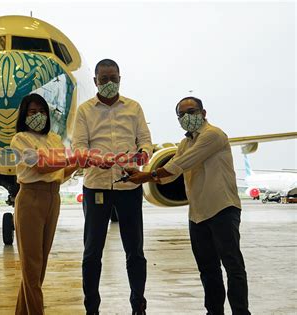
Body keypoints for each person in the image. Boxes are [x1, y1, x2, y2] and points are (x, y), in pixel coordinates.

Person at [124, 96, 251, 315]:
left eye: (191, 111)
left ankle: (241, 312)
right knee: (208, 270)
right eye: (181, 115)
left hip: (222, 209)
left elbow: (181, 163)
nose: (187, 117)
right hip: (198, 214)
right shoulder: (184, 143)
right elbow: (171, 174)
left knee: (233, 267)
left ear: (203, 113)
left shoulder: (213, 135)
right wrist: (143, 176)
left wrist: (147, 176)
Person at [72, 59, 153, 315]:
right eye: (104, 79)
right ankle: (92, 308)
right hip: (96, 186)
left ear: (120, 78)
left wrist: (141, 158)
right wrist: (94, 159)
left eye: (113, 78)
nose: (109, 83)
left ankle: (138, 304)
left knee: (135, 251)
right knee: (92, 251)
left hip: (129, 186)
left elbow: (146, 142)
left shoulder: (134, 108)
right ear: (95, 81)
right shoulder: (84, 111)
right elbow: (78, 148)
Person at [10, 93, 79, 315]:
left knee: (38, 269)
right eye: (32, 112)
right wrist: (72, 159)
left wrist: (79, 163)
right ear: (24, 115)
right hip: (31, 199)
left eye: (41, 111)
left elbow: (59, 172)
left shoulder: (55, 139)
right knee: (32, 268)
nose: (38, 115)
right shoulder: (20, 139)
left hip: (53, 197)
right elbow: (41, 166)